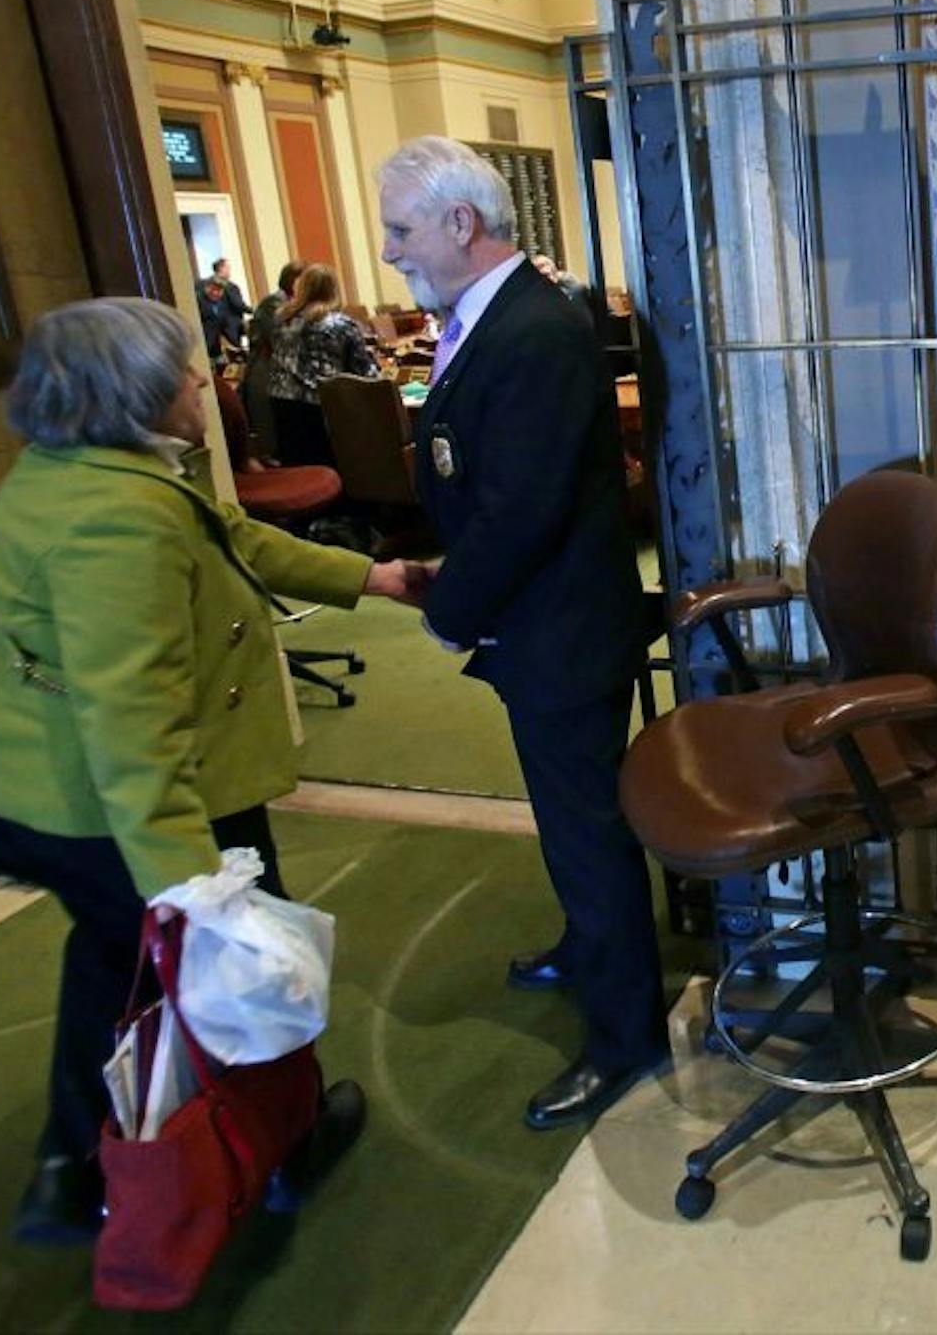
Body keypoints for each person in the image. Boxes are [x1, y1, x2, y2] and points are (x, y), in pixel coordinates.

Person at [0, 298, 429, 1243]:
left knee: (117, 951)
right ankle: (267, 1142)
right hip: (78, 792)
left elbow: (229, 536)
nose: (202, 381)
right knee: (236, 959)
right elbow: (129, 722)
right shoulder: (120, 520)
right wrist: (194, 887)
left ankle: (70, 1173)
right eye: (186, 371)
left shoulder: (81, 469)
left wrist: (371, 579)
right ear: (137, 393)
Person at [377, 135, 665, 1130]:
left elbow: (524, 507)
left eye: (401, 228)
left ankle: (629, 1038)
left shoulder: (533, 331)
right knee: (566, 816)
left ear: (462, 223)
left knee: (588, 832)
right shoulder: (492, 316)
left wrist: (450, 607)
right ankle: (589, 950)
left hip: (564, 631)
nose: (388, 249)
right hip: (538, 624)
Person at [267, 263, 380, 468]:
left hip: (281, 404)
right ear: (333, 290)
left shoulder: (281, 320)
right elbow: (367, 374)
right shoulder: (340, 324)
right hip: (323, 409)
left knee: (298, 469)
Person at [241, 259, 307, 452]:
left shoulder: (291, 304)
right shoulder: (273, 305)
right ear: (293, 281)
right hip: (266, 377)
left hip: (281, 377)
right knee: (280, 442)